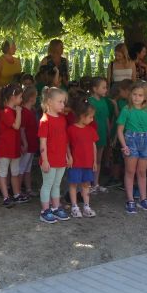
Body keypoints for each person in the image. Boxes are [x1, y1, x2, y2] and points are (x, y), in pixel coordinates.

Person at [117, 82, 147, 214]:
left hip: (145, 141)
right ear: (130, 95)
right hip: (131, 140)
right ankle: (130, 200)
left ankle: (143, 199)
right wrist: (124, 145)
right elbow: (120, 130)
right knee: (130, 171)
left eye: (140, 95)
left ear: (145, 97)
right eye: (134, 94)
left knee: (142, 172)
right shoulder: (126, 109)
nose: (137, 97)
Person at [38, 87, 71, 223]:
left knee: (57, 185)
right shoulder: (44, 120)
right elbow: (43, 143)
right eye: (60, 102)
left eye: (64, 102)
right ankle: (45, 211)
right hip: (49, 160)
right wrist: (45, 160)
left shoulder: (62, 119)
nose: (63, 105)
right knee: (47, 184)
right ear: (49, 102)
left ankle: (56, 208)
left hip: (60, 159)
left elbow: (64, 140)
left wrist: (67, 156)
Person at [67, 100, 99, 218]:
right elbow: (67, 144)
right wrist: (69, 156)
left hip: (88, 163)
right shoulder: (71, 129)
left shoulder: (91, 130)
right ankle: (74, 207)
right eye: (90, 117)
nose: (92, 119)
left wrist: (94, 161)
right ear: (82, 116)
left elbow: (93, 145)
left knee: (86, 184)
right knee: (73, 184)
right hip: (75, 163)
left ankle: (86, 206)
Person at [0, 84, 24, 207]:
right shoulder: (6, 112)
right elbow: (16, 126)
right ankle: (6, 197)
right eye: (20, 97)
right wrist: (19, 112)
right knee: (3, 172)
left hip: (14, 147)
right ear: (13, 97)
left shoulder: (12, 111)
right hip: (5, 148)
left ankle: (17, 194)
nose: (21, 100)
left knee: (15, 172)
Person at [87, 77, 111, 193]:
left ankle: (96, 183)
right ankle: (88, 184)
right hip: (91, 135)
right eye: (103, 87)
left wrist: (108, 131)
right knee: (89, 159)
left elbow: (106, 118)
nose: (106, 90)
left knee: (98, 160)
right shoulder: (90, 101)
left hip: (101, 134)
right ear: (95, 89)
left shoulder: (104, 101)